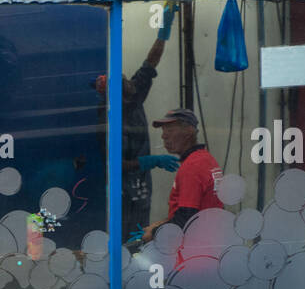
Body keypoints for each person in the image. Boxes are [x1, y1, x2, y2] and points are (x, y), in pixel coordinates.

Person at [96, 35, 166, 240]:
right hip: (121, 188)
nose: (129, 84)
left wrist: (163, 34)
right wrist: (148, 161)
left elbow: (151, 62)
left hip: (141, 185)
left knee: (140, 231)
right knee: (123, 235)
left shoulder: (133, 94)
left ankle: (135, 263)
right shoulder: (107, 118)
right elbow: (114, 163)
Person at [140, 108, 223, 243]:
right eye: (163, 131)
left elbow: (185, 219)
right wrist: (161, 224)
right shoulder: (207, 159)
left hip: (194, 248)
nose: (164, 136)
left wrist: (154, 233)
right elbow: (197, 209)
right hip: (210, 241)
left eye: (170, 130)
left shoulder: (192, 167)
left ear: (188, 132)